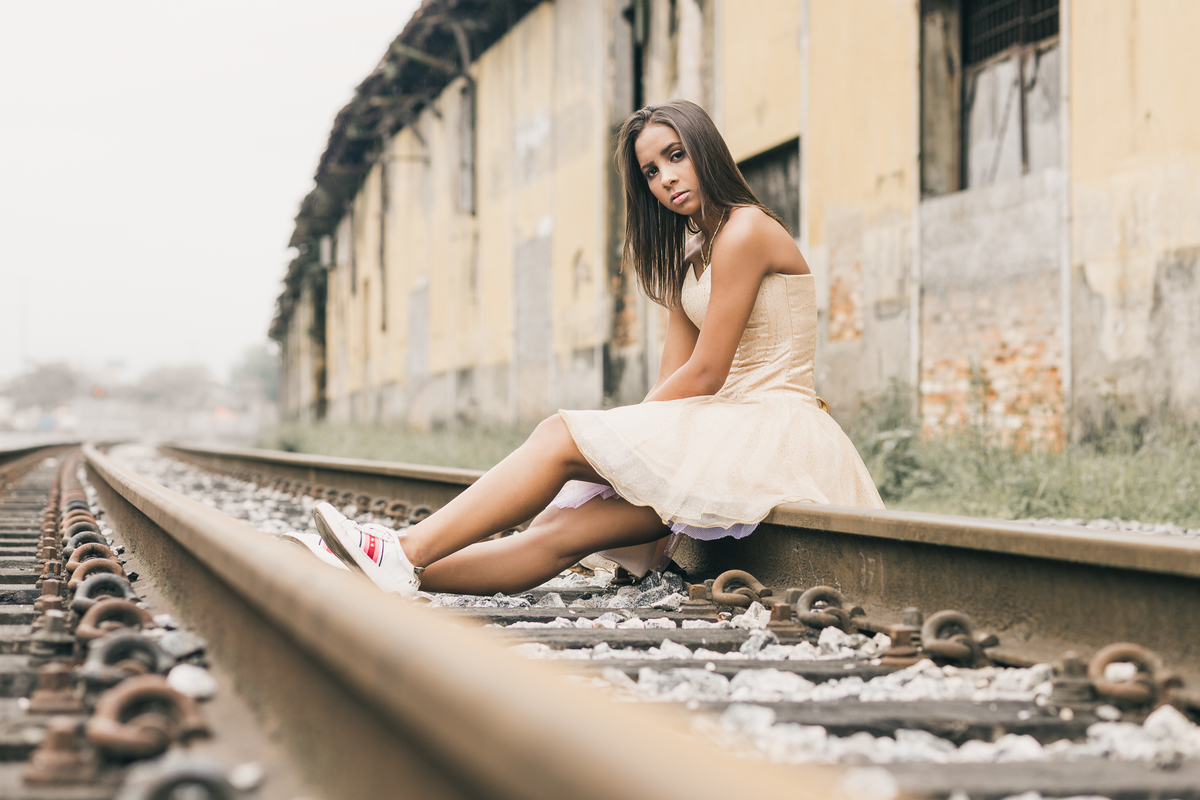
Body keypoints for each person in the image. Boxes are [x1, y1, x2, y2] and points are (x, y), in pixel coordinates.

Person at [310, 99, 884, 597]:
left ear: (706, 150)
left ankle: (401, 549)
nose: (665, 178)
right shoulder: (689, 260)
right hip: (719, 431)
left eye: (676, 156)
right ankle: (390, 573)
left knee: (561, 434)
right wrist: (635, 448)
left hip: (772, 430)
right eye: (651, 170)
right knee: (561, 532)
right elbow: (674, 377)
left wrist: (615, 443)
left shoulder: (747, 230)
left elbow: (706, 374)